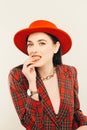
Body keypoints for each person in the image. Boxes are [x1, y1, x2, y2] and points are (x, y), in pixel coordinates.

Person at [8, 20, 87, 130]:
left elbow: (75, 111)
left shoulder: (69, 72)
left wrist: (84, 124)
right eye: (30, 44)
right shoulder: (17, 75)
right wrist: (32, 83)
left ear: (56, 47)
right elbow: (30, 124)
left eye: (42, 43)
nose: (34, 50)